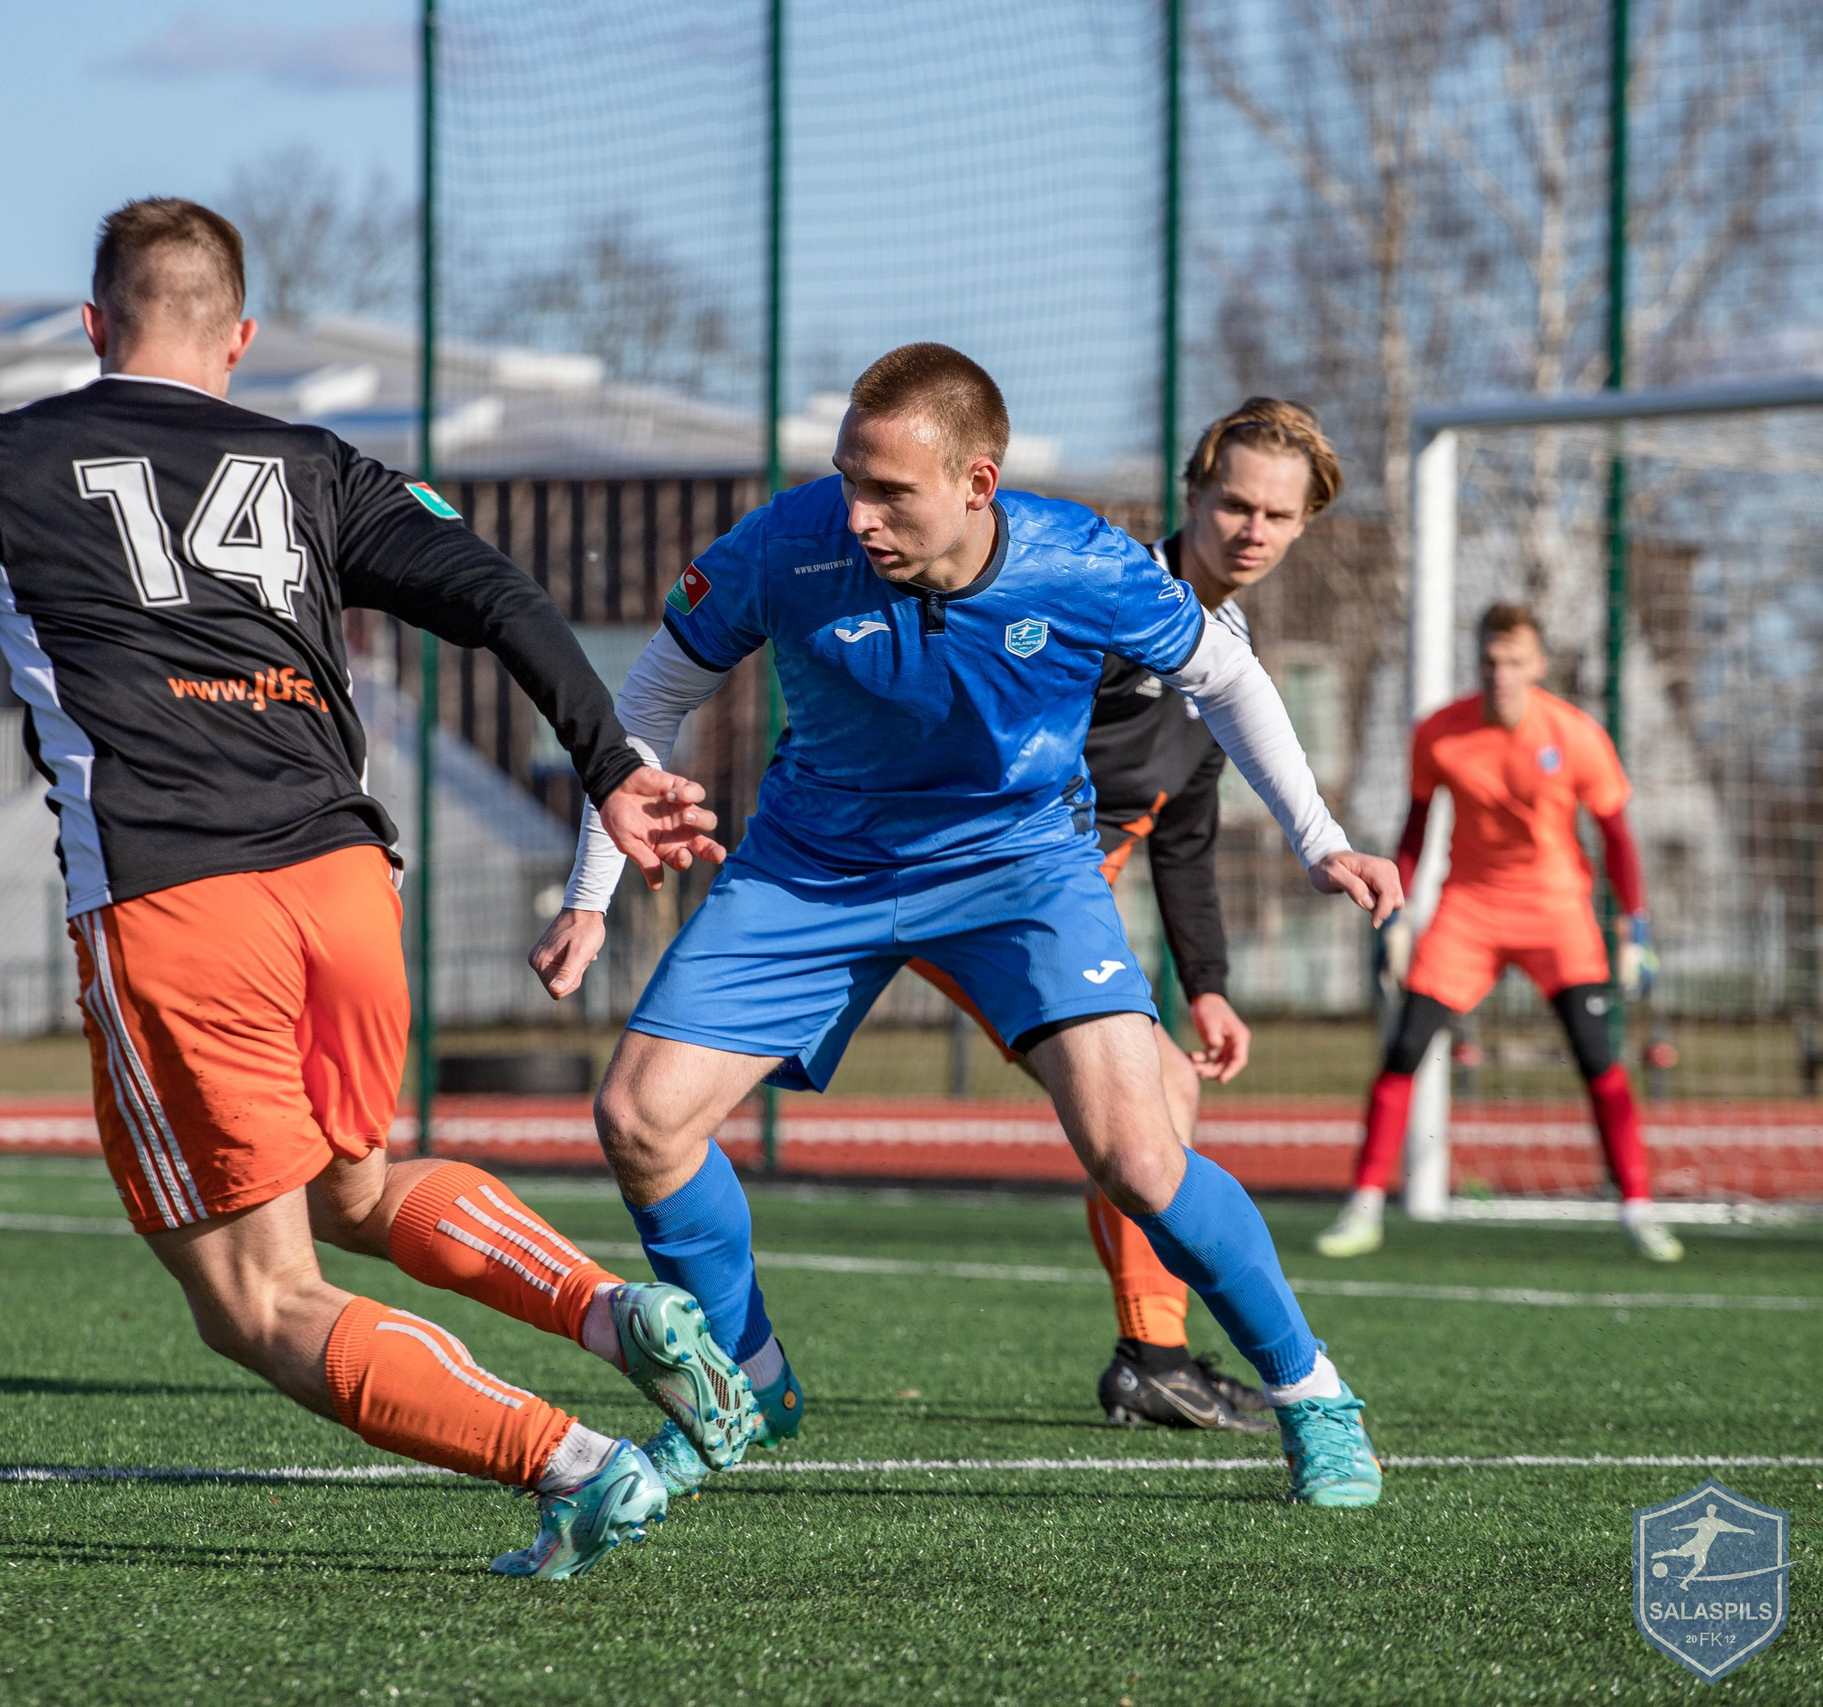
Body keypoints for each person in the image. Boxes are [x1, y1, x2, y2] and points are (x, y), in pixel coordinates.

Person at [0, 197, 756, 1579]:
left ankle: (575, 1461)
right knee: (356, 1186)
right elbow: (502, 594)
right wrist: (610, 762)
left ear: (94, 327)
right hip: (343, 889)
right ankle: (620, 1313)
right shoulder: (313, 463)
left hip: (176, 905)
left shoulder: (1, 455)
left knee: (259, 1300)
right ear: (242, 336)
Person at [530, 343, 1403, 1507]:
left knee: (1140, 1156)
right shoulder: (785, 545)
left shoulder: (1083, 561)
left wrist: (1319, 836)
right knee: (639, 1118)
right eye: (848, 477)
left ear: (977, 485)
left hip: (1019, 870)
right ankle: (748, 1383)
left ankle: (1312, 1397)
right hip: (813, 865)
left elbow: (1229, 679)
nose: (857, 512)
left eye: (889, 490)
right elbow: (646, 700)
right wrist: (590, 889)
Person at [903, 399, 1344, 1434]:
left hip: (1041, 903)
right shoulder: (1095, 596)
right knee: (681, 1096)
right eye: (1234, 502)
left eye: (1278, 516)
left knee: (1164, 1095)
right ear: (1191, 495)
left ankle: (1153, 1355)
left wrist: (1208, 986)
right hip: (960, 878)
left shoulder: (1220, 658)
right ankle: (1153, 1357)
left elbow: (1181, 831)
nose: (1252, 529)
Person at [1316, 603, 1677, 1261]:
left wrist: (1635, 927)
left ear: (1538, 664)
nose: (1501, 672)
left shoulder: (1576, 734)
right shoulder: (1439, 733)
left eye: (1515, 660)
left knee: (1599, 1057)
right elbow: (1415, 826)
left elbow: (1618, 837)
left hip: (1557, 911)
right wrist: (1394, 915)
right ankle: (1362, 1206)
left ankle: (1638, 1208)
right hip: (1470, 911)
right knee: (1404, 1048)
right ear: (1476, 661)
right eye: (1490, 659)